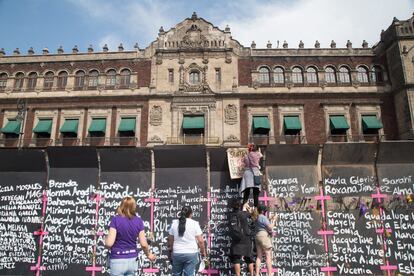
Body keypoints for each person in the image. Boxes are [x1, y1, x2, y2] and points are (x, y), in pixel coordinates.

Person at [105, 196, 156, 276]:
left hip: (117, 259)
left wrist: (106, 238)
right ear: (134, 207)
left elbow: (109, 243)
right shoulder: (138, 221)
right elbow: (144, 244)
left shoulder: (115, 220)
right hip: (132, 260)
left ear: (121, 205)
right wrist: (149, 254)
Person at [168, 206, 207, 276]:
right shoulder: (194, 223)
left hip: (177, 252)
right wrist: (203, 252)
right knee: (189, 274)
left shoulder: (174, 223)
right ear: (191, 214)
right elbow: (200, 241)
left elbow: (170, 239)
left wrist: (170, 250)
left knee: (176, 274)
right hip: (191, 252)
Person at [229, 199, 255, 276]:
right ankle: (252, 274)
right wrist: (246, 207)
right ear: (239, 206)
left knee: (236, 258)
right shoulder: (244, 214)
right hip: (246, 238)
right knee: (248, 257)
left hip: (237, 239)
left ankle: (238, 275)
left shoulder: (231, 215)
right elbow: (252, 215)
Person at [255, 205, 276, 276]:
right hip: (264, 236)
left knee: (259, 256)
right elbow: (270, 227)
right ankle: (269, 274)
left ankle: (257, 274)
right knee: (268, 255)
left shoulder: (257, 217)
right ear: (263, 211)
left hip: (257, 236)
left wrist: (269, 219)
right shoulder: (263, 217)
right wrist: (274, 220)